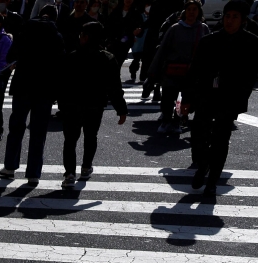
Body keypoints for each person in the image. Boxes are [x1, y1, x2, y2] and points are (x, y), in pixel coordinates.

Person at [183, 1, 258, 195]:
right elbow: (195, 70)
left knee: (220, 139)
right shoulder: (210, 41)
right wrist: (187, 97)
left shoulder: (251, 42)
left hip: (231, 98)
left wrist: (241, 97)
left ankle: (212, 181)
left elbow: (251, 76)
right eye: (227, 16)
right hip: (206, 96)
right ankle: (203, 163)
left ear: (242, 20)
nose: (230, 20)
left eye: (235, 17)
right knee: (198, 135)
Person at [0, 5, 64, 186]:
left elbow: (10, 56)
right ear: (54, 18)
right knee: (38, 131)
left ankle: (10, 167)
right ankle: (33, 173)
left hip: (23, 84)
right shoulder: (57, 36)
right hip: (45, 88)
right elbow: (60, 65)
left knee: (17, 126)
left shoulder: (25, 31)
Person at [58, 22, 127, 187]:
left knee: (70, 140)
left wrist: (61, 103)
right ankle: (86, 166)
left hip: (72, 104)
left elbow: (62, 84)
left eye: (82, 35)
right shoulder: (107, 58)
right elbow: (114, 87)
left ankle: (69, 174)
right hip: (95, 104)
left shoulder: (71, 57)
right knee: (90, 136)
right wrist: (121, 109)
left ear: (86, 37)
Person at [147, 0, 207, 136]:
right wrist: (152, 72)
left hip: (192, 72)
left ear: (199, 12)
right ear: (184, 11)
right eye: (189, 9)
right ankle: (166, 120)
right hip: (172, 69)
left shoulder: (202, 29)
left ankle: (178, 120)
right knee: (168, 97)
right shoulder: (175, 28)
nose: (192, 12)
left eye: (195, 9)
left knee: (187, 98)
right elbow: (162, 50)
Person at [106, 0, 144, 66]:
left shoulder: (136, 14)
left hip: (126, 42)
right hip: (113, 41)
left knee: (118, 62)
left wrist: (138, 31)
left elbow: (140, 28)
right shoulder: (116, 11)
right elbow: (109, 25)